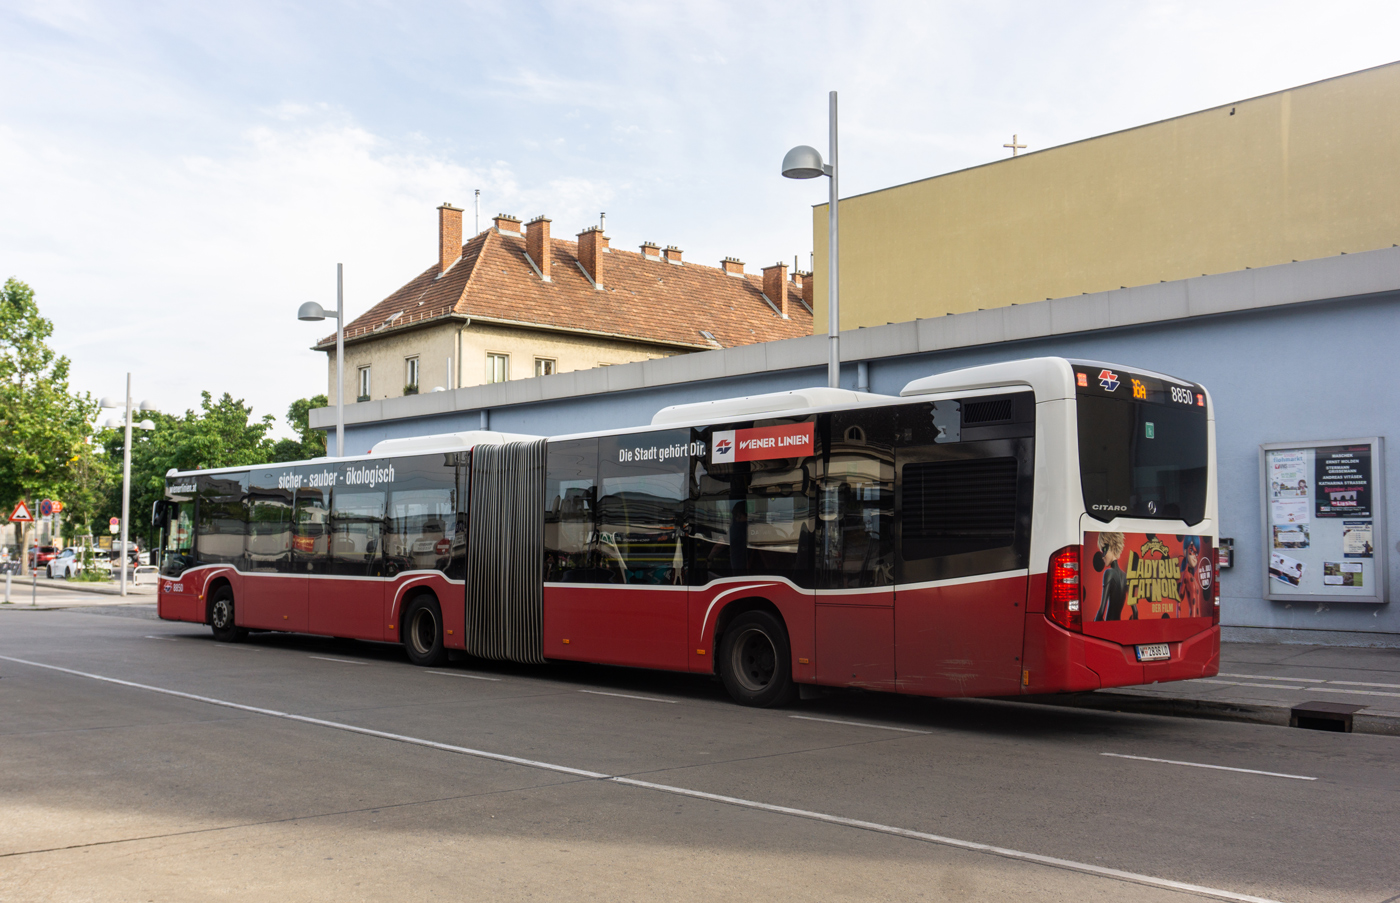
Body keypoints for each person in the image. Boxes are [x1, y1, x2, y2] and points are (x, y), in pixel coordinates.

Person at [1094, 532, 1128, 621]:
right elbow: (1135, 611)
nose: (1102, 557)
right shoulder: (1125, 576)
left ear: (1112, 546)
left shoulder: (1109, 573)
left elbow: (1101, 611)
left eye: (1104, 550)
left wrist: (1093, 624)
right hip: (1119, 624)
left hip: (1108, 624)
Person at [1178, 536, 1205, 618]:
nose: (1194, 557)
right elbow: (1178, 601)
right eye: (1192, 550)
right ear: (1185, 551)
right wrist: (1177, 621)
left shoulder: (1193, 578)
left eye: (1196, 553)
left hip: (1198, 620)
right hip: (1192, 619)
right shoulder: (1185, 575)